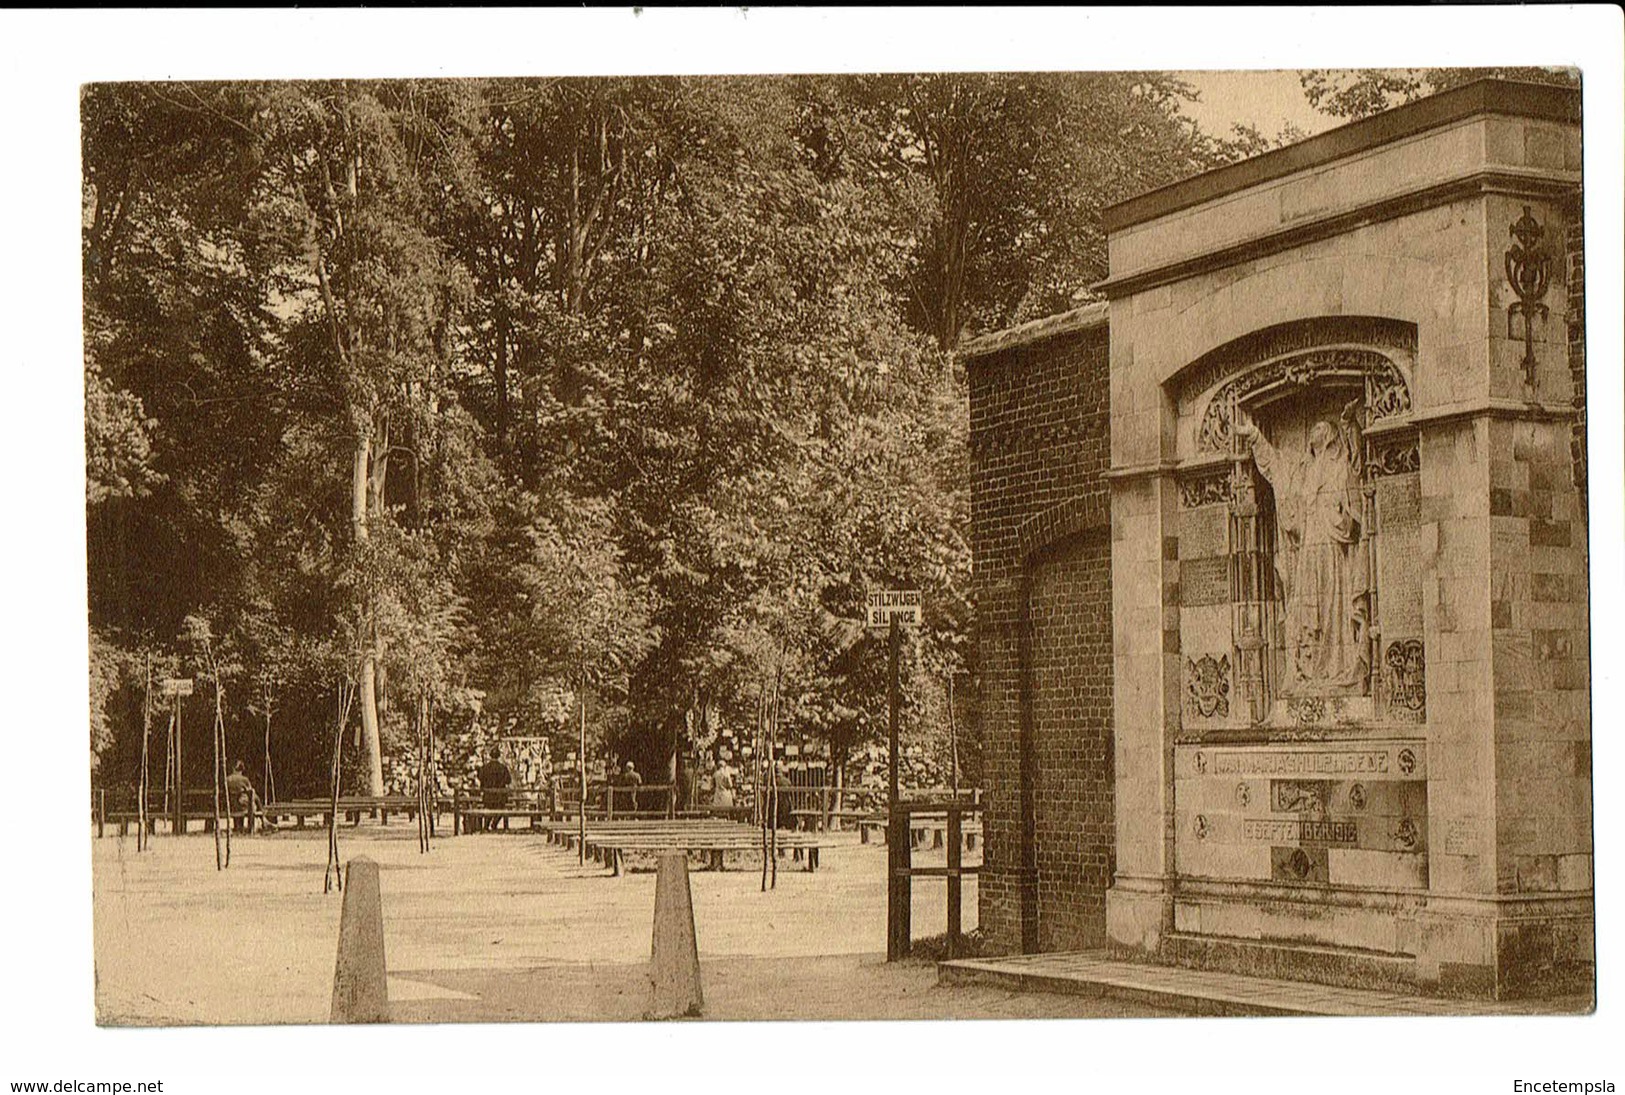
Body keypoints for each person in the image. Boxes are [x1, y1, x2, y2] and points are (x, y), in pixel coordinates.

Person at [1237, 410, 1372, 696]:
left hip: (1333, 549)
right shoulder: (1304, 471)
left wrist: (1350, 424)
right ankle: (1309, 670)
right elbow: (1276, 469)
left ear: (1332, 436)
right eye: (1313, 429)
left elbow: (1359, 467)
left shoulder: (1340, 466)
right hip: (1310, 547)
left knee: (1332, 607)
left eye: (1322, 428)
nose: (1316, 431)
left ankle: (1337, 666)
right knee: (1306, 607)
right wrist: (1255, 436)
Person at [476, 748, 512, 833]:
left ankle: (486, 825)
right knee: (501, 808)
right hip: (500, 797)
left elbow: (480, 778)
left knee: (489, 808)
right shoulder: (503, 767)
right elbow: (508, 780)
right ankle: (494, 823)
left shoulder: (485, 768)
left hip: (487, 797)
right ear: (499, 756)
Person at [225, 760, 257, 833]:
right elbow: (250, 791)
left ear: (233, 768)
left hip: (230, 805)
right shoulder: (244, 779)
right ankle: (261, 818)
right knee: (252, 799)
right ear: (242, 769)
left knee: (238, 802)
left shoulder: (227, 779)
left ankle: (237, 827)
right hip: (242, 805)